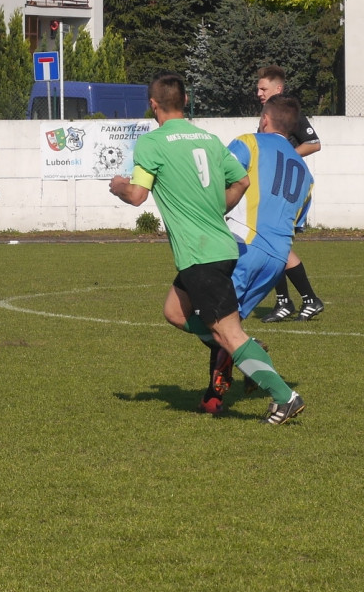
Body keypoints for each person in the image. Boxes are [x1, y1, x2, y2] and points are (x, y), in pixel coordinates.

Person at [108, 73, 304, 425]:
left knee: (227, 332)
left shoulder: (153, 143)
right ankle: (241, 344)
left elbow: (137, 196)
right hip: (219, 245)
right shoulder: (209, 139)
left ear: (153, 105)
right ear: (184, 101)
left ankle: (284, 396)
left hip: (202, 253)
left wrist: (118, 186)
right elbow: (241, 180)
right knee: (174, 311)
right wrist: (216, 210)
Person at [193, 94, 314, 413]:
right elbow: (297, 222)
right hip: (276, 261)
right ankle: (213, 396)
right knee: (227, 324)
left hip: (244, 245)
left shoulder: (250, 142)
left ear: (264, 119)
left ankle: (253, 366)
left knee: (198, 315)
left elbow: (216, 180)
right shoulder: (305, 172)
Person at [255, 65, 324, 322]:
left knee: (275, 244)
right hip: (270, 188)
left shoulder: (288, 114)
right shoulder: (268, 115)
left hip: (286, 189)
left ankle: (308, 299)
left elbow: (314, 143)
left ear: (278, 89)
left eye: (263, 88)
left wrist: (286, 156)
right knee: (269, 243)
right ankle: (286, 301)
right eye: (258, 88)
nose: (259, 92)